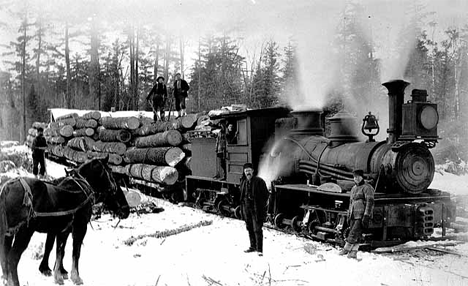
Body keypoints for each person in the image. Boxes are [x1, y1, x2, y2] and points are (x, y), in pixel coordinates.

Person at [339, 169, 375, 259]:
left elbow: (370, 202)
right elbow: (351, 202)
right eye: (355, 177)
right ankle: (354, 252)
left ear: (362, 177)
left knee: (353, 232)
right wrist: (349, 214)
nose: (356, 179)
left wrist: (366, 215)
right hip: (353, 214)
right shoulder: (353, 188)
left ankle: (346, 248)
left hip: (361, 214)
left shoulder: (367, 188)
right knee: (357, 233)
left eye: (358, 177)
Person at [240, 163, 269, 256]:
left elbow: (266, 195)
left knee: (257, 229)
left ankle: (259, 250)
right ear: (244, 172)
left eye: (249, 170)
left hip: (256, 209)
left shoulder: (259, 181)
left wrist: (260, 204)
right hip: (246, 208)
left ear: (253, 171)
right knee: (249, 228)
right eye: (246, 171)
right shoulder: (243, 182)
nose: (248, 172)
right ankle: (253, 246)